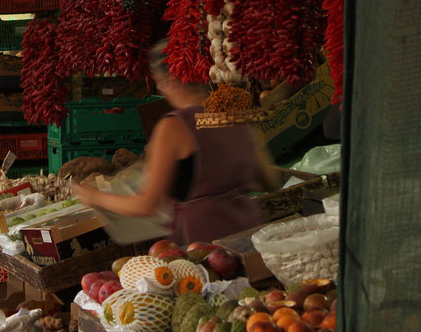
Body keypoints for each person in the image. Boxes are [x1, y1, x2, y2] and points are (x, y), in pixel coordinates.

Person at [76, 40, 277, 244]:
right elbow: (269, 178)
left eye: (159, 82)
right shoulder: (234, 114)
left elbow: (146, 205)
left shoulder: (173, 127)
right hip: (251, 232)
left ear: (170, 80)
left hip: (207, 241)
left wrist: (95, 198)